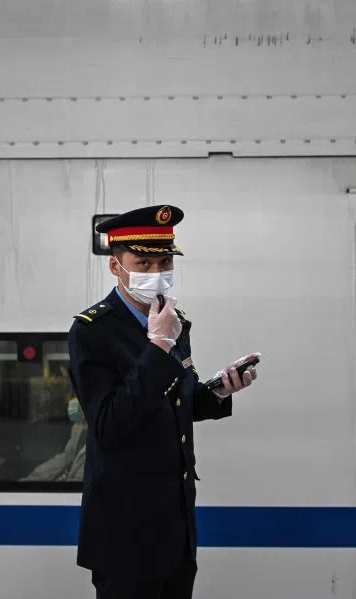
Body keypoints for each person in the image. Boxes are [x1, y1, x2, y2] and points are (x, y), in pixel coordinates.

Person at [68, 204, 261, 599]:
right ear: (116, 267)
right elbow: (108, 423)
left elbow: (174, 404)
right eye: (143, 263)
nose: (157, 274)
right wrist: (158, 346)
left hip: (174, 523)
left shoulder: (174, 320)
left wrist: (219, 390)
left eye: (164, 261)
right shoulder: (93, 331)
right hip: (125, 530)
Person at [20, 397, 88, 481]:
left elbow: (80, 482)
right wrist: (33, 478)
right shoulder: (78, 427)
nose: (74, 401)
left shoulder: (102, 437)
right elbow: (67, 456)